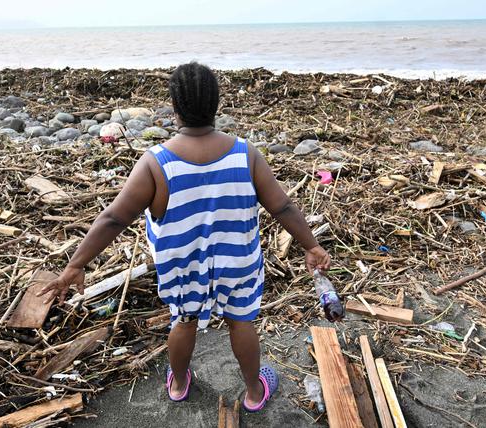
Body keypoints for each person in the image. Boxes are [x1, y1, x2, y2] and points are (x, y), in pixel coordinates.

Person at [39, 62, 330, 412]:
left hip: (183, 265)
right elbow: (281, 206)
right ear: (216, 104)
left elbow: (114, 217)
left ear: (174, 108)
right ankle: (254, 391)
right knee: (241, 321)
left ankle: (178, 383)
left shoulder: (156, 163)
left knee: (185, 319)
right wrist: (311, 245)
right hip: (237, 261)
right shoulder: (245, 154)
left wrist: (76, 265)